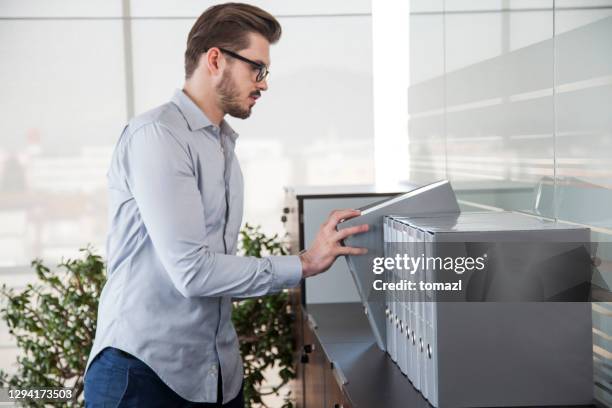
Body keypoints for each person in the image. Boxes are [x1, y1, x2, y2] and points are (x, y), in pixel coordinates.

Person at [83, 3, 368, 408]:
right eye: (258, 69)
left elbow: (215, 270)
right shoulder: (157, 136)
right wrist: (303, 264)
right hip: (143, 375)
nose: (264, 84)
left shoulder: (221, 145)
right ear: (215, 59)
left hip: (215, 372)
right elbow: (193, 271)